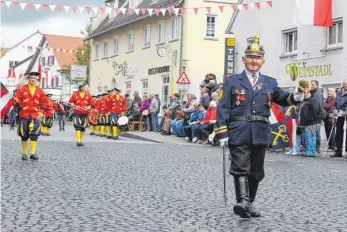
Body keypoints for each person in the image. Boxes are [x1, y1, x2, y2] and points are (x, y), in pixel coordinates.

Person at [214, 32, 306, 218]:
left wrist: (297, 96)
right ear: (243, 59)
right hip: (239, 131)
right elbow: (223, 107)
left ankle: (250, 203)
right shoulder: (232, 81)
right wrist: (222, 132)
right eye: (251, 58)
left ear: (263, 61)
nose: (254, 61)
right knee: (240, 166)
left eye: (258, 58)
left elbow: (282, 98)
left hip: (260, 132)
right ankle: (243, 201)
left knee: (256, 172)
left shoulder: (269, 82)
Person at [11, 72, 49, 160]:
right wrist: (15, 100)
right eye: (31, 78)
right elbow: (16, 102)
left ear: (37, 80)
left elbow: (45, 104)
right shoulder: (22, 89)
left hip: (35, 116)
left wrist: (40, 114)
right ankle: (24, 153)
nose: (33, 80)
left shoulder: (40, 91)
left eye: (34, 78)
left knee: (34, 134)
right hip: (24, 115)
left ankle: (32, 153)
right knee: (24, 135)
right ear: (28, 79)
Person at [331, 80, 347, 158]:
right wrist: (335, 110)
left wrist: (345, 111)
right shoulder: (339, 93)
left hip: (346, 116)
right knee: (338, 134)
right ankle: (338, 151)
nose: (345, 85)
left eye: (346, 84)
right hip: (339, 116)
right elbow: (334, 104)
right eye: (344, 84)